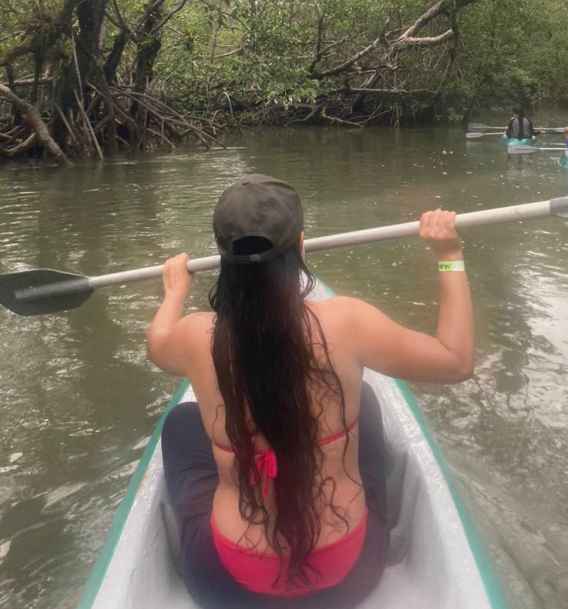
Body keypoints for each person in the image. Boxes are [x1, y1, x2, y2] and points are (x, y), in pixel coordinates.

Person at [146, 175, 474, 607]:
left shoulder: (195, 337)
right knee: (367, 404)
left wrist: (174, 293)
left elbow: (156, 346)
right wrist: (449, 255)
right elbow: (456, 360)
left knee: (183, 423)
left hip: (228, 585)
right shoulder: (347, 324)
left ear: (223, 257)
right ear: (299, 246)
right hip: (346, 579)